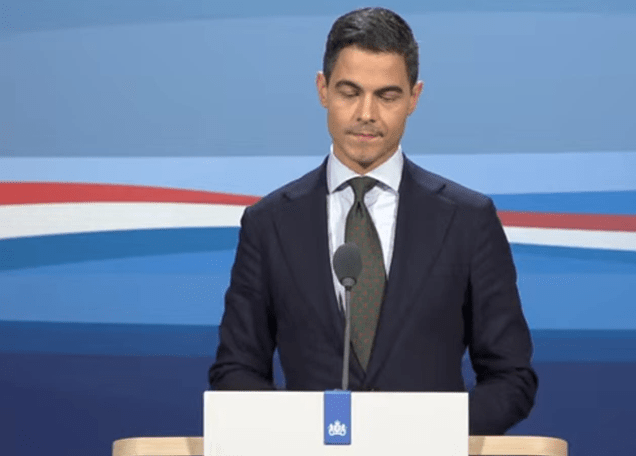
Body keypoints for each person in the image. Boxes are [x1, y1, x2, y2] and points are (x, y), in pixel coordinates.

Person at [208, 7, 537, 435]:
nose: (366, 113)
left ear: (414, 98)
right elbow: (235, 372)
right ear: (322, 89)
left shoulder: (468, 220)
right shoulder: (268, 223)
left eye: (387, 96)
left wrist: (424, 433)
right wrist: (307, 433)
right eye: (350, 92)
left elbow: (511, 378)